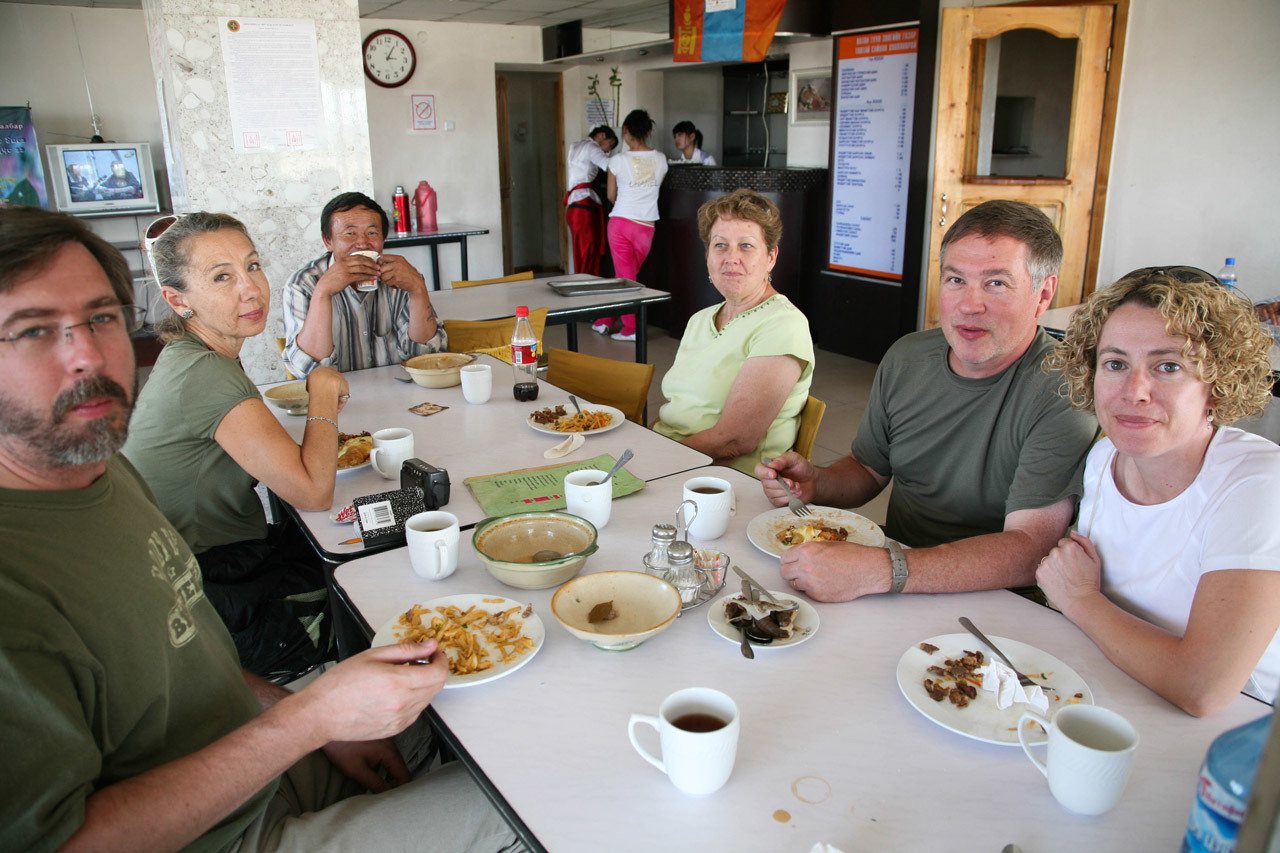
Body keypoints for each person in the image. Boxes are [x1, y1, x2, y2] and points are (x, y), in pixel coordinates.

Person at [0, 207, 519, 852]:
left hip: (248, 753)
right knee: (531, 806)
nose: (87, 355)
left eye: (101, 318)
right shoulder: (16, 584)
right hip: (229, 830)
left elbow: (191, 648)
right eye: (32, 330)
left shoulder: (103, 476)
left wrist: (305, 718)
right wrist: (311, 718)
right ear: (176, 300)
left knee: (487, 710)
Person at [757, 200, 1097, 602]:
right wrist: (818, 482)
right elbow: (868, 469)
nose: (969, 304)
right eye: (955, 280)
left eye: (996, 283)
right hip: (898, 576)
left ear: (1043, 294)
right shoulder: (908, 357)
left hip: (998, 601)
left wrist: (883, 570)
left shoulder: (1064, 388)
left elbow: (1030, 549)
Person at [1037, 268, 1280, 715]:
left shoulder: (1259, 483)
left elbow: (1201, 688)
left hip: (1237, 728)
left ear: (1217, 384)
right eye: (1115, 364)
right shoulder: (1104, 458)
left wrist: (1081, 601)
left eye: (1168, 366)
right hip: (1117, 690)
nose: (1135, 392)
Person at [123, 212, 344, 679]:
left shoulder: (194, 355)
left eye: (253, 266)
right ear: (178, 300)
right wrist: (322, 390)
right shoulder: (205, 374)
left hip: (202, 566)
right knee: (362, 586)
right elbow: (313, 491)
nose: (251, 289)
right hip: (204, 591)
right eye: (222, 277)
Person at [653, 189, 812, 474]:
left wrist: (655, 462)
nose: (731, 257)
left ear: (771, 257)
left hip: (724, 479)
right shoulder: (700, 320)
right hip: (675, 460)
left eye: (746, 246)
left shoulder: (783, 324)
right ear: (707, 255)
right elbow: (677, 409)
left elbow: (733, 441)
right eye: (720, 245)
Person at [283, 191, 446, 376]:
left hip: (395, 390)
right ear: (328, 241)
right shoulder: (304, 284)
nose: (362, 243)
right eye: (350, 233)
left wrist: (417, 289)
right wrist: (323, 292)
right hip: (338, 393)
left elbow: (428, 358)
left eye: (371, 233)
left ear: (383, 239)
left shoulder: (400, 277)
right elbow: (307, 371)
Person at [592, 109, 668, 342]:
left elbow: (611, 195)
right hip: (646, 228)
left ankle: (631, 329)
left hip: (621, 224)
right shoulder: (661, 159)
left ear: (625, 131)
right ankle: (605, 321)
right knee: (626, 277)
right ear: (648, 131)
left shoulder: (617, 160)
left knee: (625, 280)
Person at [565, 125, 617, 277]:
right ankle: (587, 284)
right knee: (588, 251)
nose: (607, 151)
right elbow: (608, 165)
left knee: (581, 252)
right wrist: (626, 158)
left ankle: (583, 282)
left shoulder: (575, 146)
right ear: (602, 136)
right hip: (584, 205)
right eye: (609, 145)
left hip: (573, 206)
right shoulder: (592, 147)